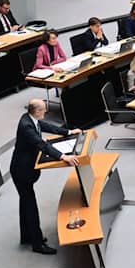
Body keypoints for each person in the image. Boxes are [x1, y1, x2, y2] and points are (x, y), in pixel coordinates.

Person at [10, 98, 80, 254]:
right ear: (37, 111)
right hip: (22, 171)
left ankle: (27, 236)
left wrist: (68, 132)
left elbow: (46, 126)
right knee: (30, 207)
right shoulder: (26, 126)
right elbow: (41, 144)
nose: (45, 112)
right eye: (44, 110)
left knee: (25, 203)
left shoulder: (29, 118)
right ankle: (37, 243)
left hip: (23, 168)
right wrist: (63, 156)